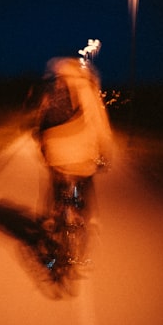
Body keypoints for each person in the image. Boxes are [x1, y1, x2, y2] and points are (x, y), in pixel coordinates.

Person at [35, 40, 114, 272]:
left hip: (55, 152)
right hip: (82, 156)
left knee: (55, 177)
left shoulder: (53, 86)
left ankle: (51, 217)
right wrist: (105, 153)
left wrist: (44, 147)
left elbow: (41, 122)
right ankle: (88, 221)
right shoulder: (88, 88)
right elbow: (101, 126)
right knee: (85, 181)